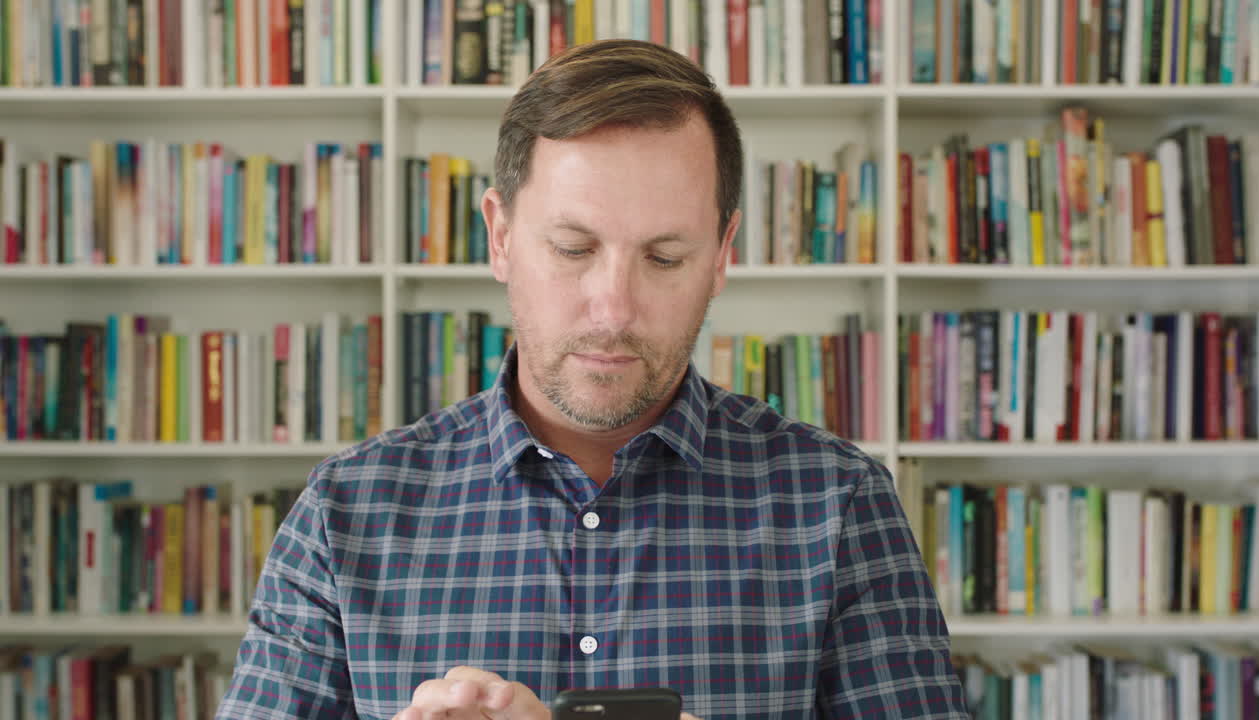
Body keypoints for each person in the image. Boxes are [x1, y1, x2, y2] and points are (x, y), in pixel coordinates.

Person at [214, 39, 967, 720]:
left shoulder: (837, 508)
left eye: (665, 257)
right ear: (501, 237)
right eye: (574, 248)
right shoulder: (344, 513)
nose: (613, 308)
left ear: (723, 253)